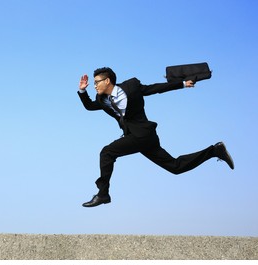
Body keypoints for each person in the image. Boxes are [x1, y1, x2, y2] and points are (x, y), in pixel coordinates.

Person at [77, 67, 234, 208]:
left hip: (143, 134)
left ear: (108, 80)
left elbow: (155, 89)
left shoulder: (131, 87)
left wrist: (182, 84)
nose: (95, 85)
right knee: (175, 167)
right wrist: (83, 91)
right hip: (143, 138)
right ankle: (215, 151)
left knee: (107, 152)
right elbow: (90, 106)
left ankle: (103, 194)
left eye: (97, 82)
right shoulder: (102, 99)